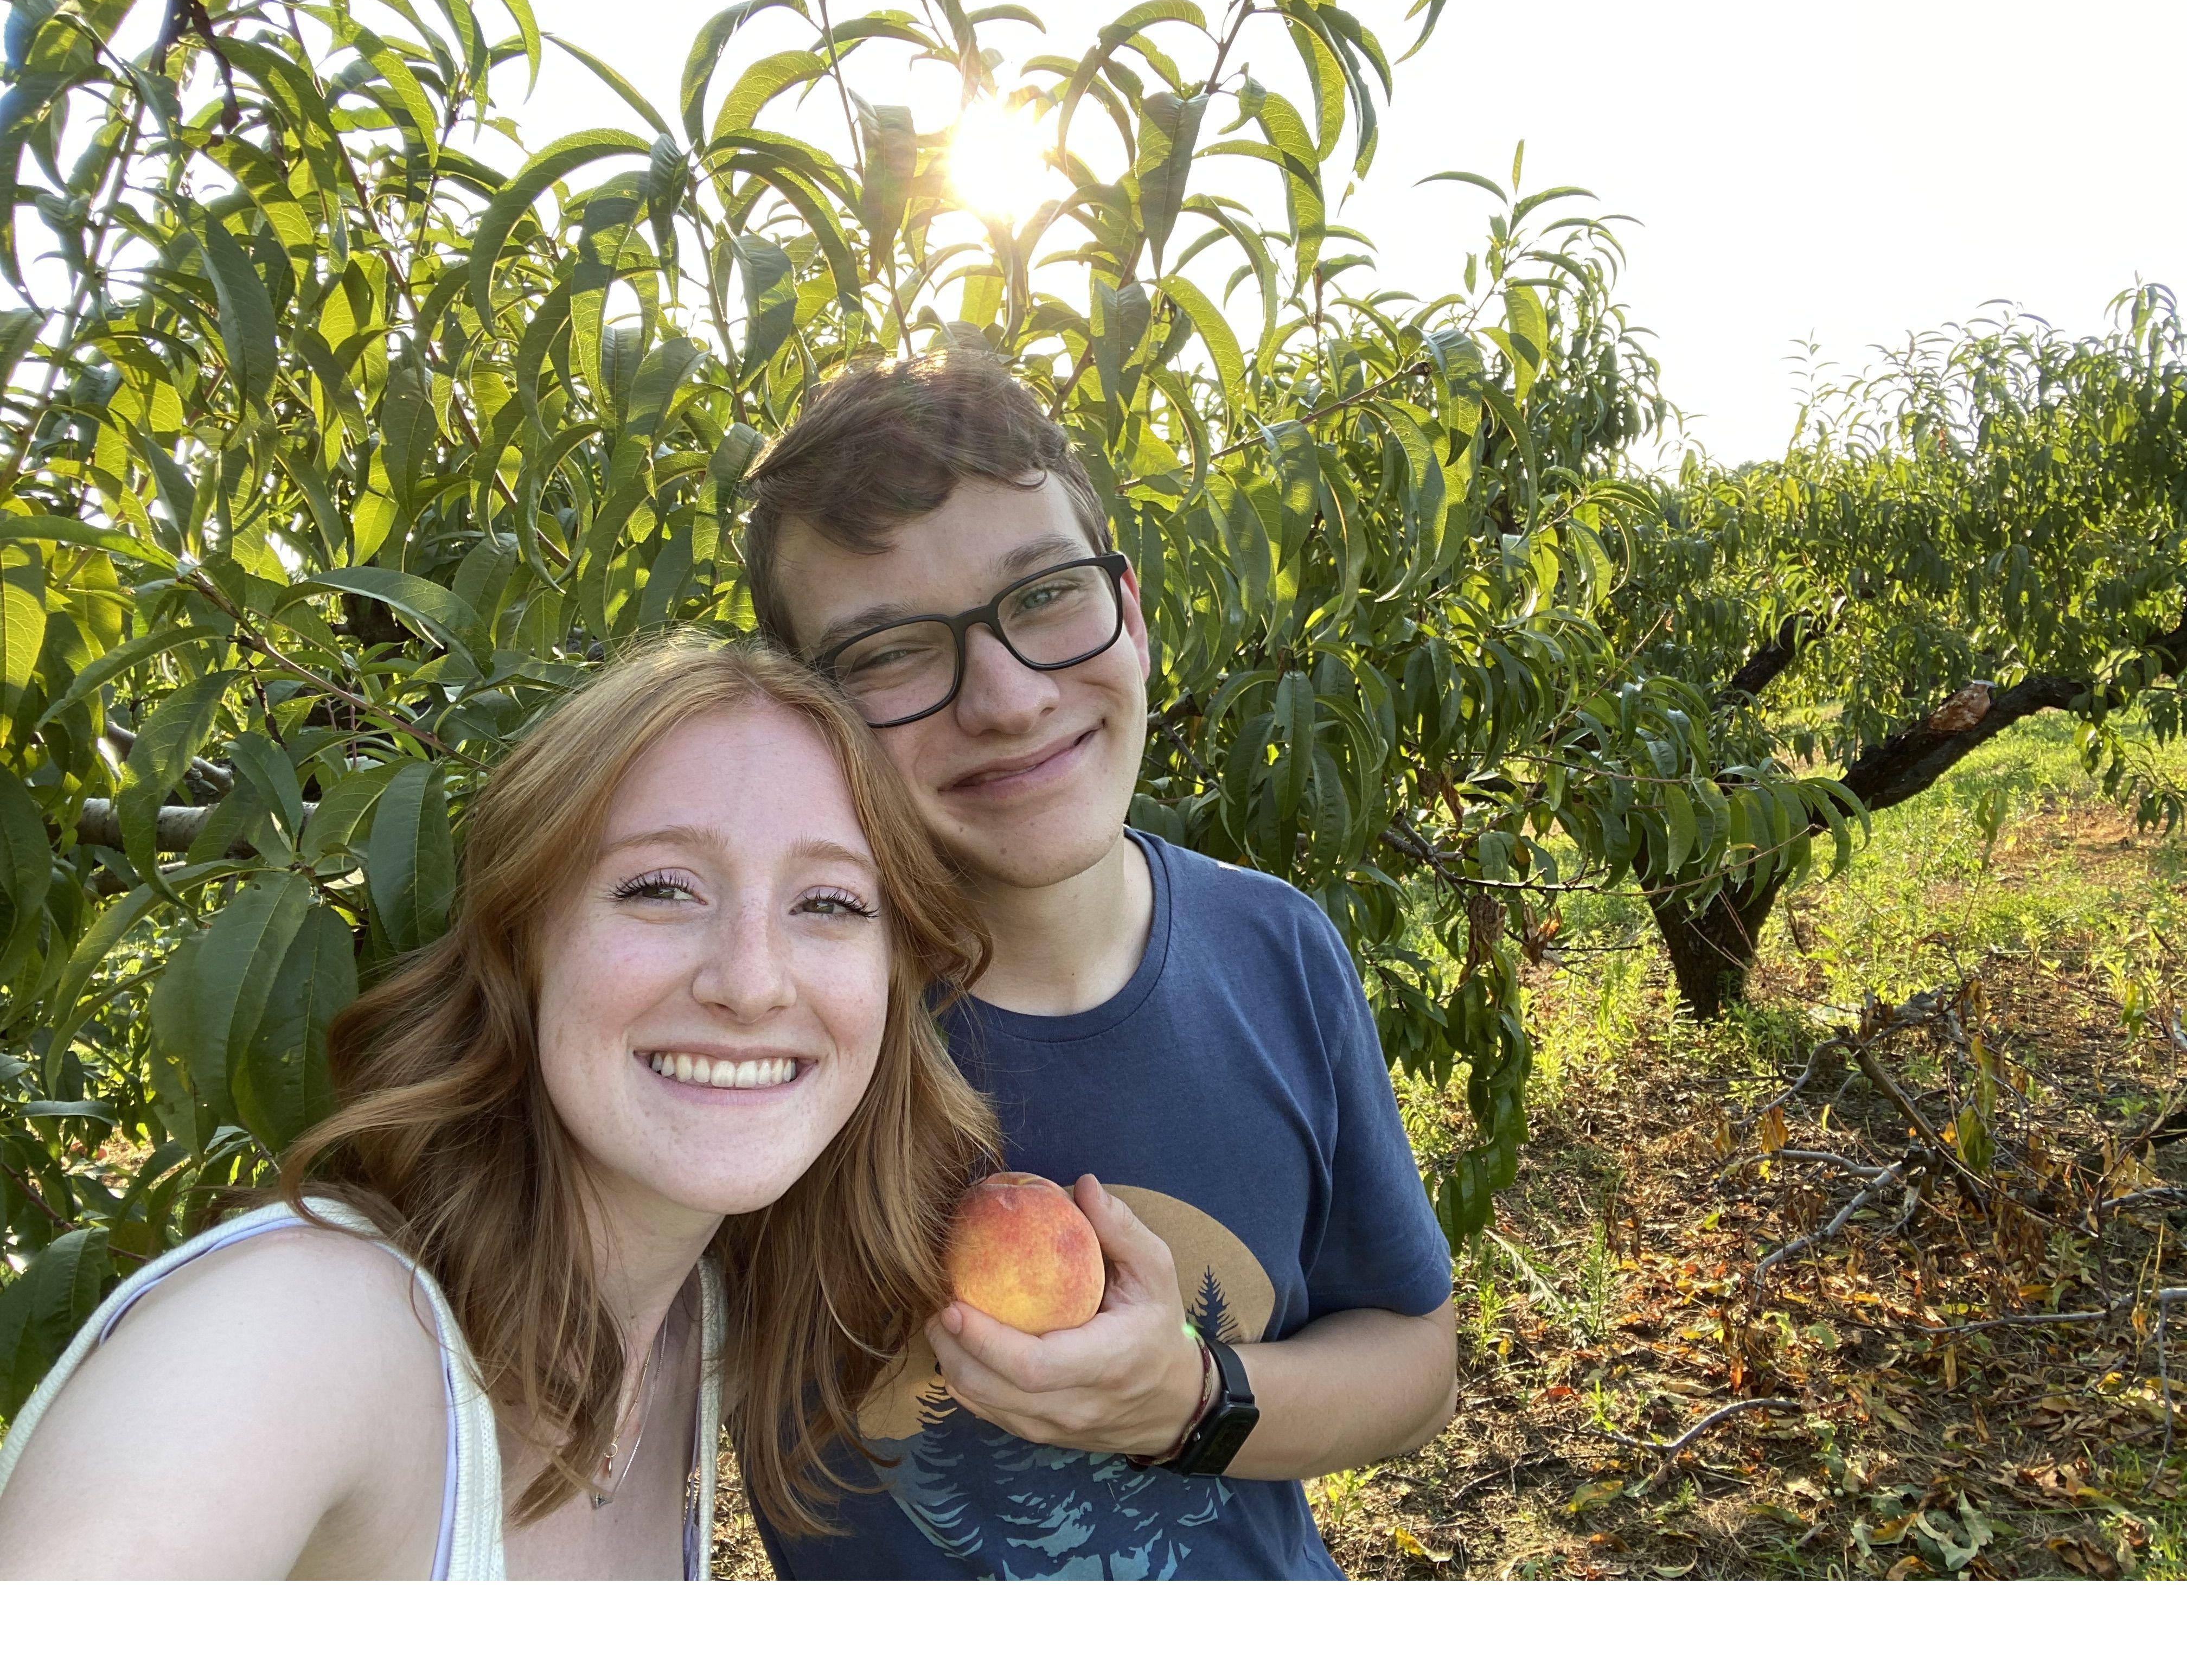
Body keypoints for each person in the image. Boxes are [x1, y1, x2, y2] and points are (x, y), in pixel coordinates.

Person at [0, 638, 994, 1579]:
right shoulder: (303, 1330)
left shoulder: (695, 1324)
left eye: (828, 903)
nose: (751, 981)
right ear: (524, 944)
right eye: (659, 888)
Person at [740, 353, 1458, 1580]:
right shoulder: (769, 1023)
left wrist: (1190, 1400)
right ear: (814, 718)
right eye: (891, 655)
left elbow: (1414, 1358)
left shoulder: (1278, 951)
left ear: (1130, 606)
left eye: (1047, 594)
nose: (1011, 701)